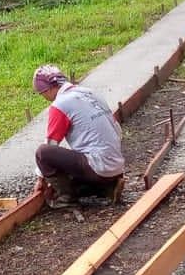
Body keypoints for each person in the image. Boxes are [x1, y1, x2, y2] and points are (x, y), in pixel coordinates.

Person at [30, 65, 126, 209]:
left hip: (98, 166)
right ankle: (107, 188)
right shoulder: (90, 93)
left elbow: (50, 144)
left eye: (41, 93)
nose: (44, 98)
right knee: (72, 174)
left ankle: (66, 198)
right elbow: (117, 130)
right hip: (117, 165)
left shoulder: (60, 105)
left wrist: (41, 178)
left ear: (48, 89)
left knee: (42, 153)